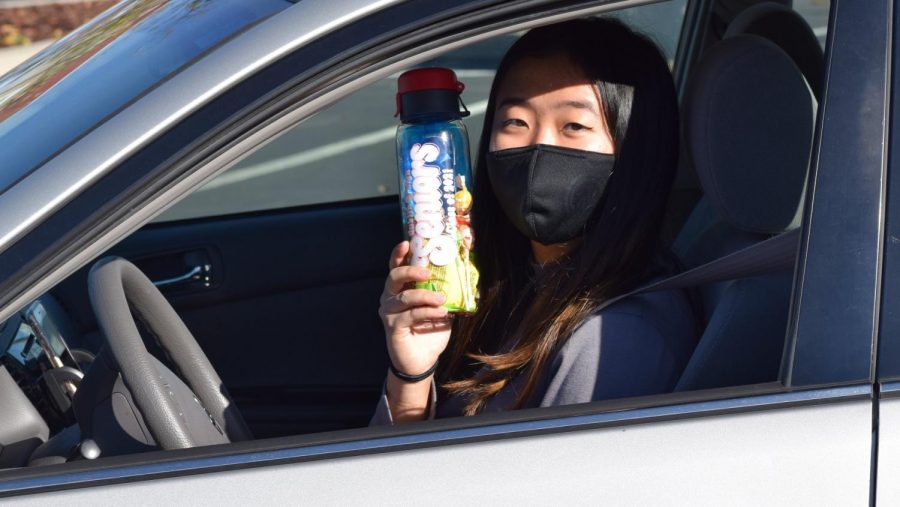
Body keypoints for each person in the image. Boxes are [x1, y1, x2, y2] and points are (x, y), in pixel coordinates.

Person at [373, 18, 696, 424]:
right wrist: (412, 372)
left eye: (574, 126)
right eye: (515, 123)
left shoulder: (614, 337)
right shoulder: (517, 282)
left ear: (636, 149)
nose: (539, 146)